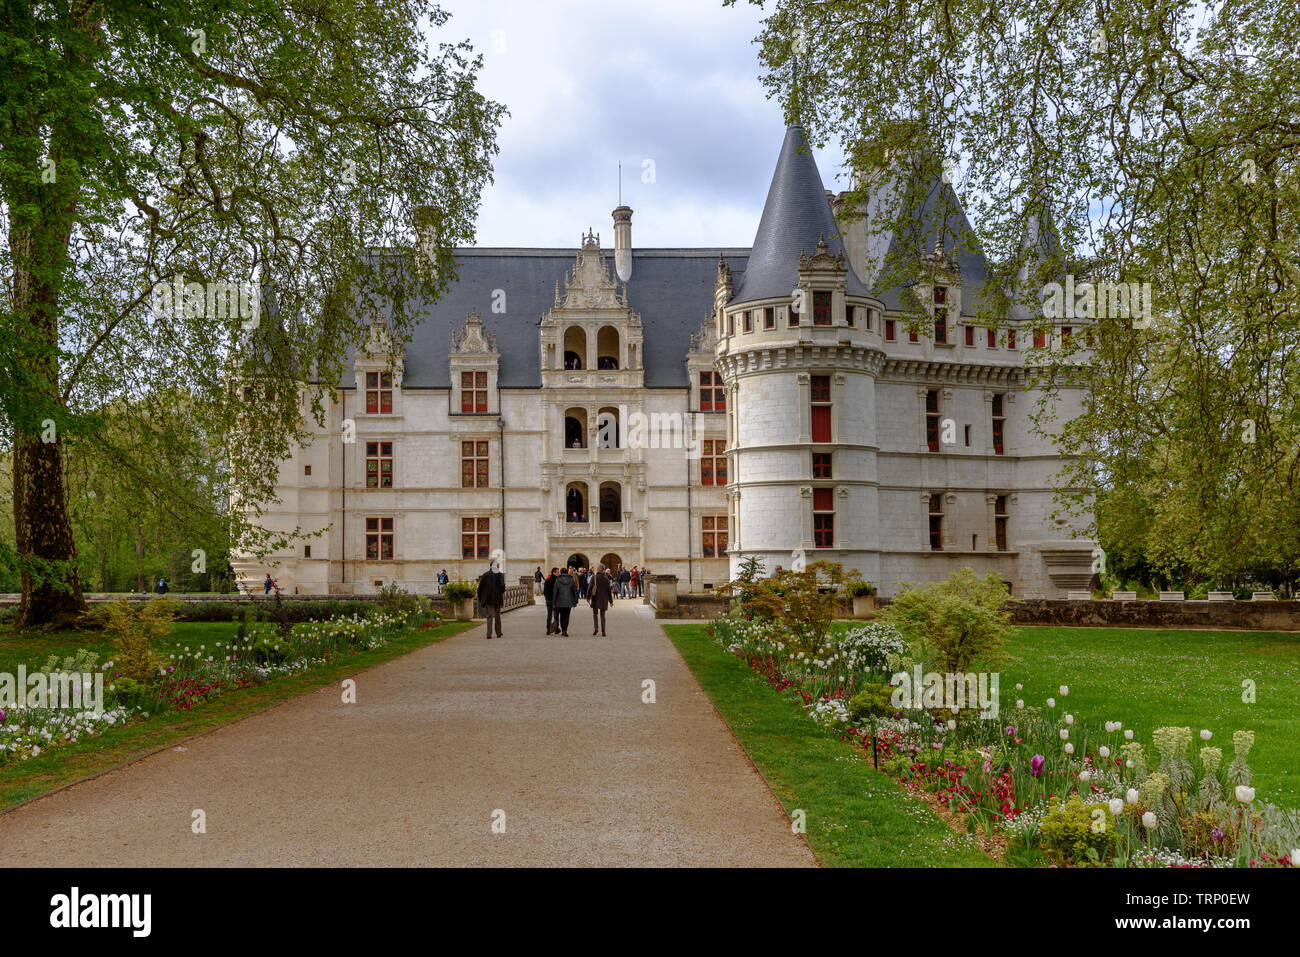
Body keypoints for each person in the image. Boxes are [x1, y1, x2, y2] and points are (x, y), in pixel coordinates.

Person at [477, 561, 506, 639]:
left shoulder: (485, 575)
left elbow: (480, 588)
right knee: (497, 616)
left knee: (489, 616)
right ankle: (498, 632)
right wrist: (500, 593)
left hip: (488, 599)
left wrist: (481, 598)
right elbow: (503, 587)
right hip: (497, 598)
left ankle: (489, 634)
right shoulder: (500, 575)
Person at [552, 567, 578, 636]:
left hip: (559, 601)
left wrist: (554, 602)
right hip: (568, 601)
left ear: (561, 572)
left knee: (561, 616)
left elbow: (555, 592)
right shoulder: (571, 579)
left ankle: (562, 629)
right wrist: (576, 601)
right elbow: (575, 591)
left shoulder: (558, 579)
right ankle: (564, 630)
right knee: (566, 616)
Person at [589, 562, 612, 636]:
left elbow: (590, 588)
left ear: (598, 569)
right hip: (604, 598)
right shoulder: (606, 578)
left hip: (595, 597)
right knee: (603, 615)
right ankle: (603, 630)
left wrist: (587, 597)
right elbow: (609, 590)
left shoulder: (594, 577)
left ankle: (596, 627)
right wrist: (611, 601)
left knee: (595, 613)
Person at [542, 567, 560, 635]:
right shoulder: (557, 581)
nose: (559, 573)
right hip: (555, 601)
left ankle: (548, 628)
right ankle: (556, 628)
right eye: (557, 572)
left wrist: (546, 598)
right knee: (556, 615)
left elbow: (544, 591)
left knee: (549, 615)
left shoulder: (547, 580)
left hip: (548, 600)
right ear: (554, 572)